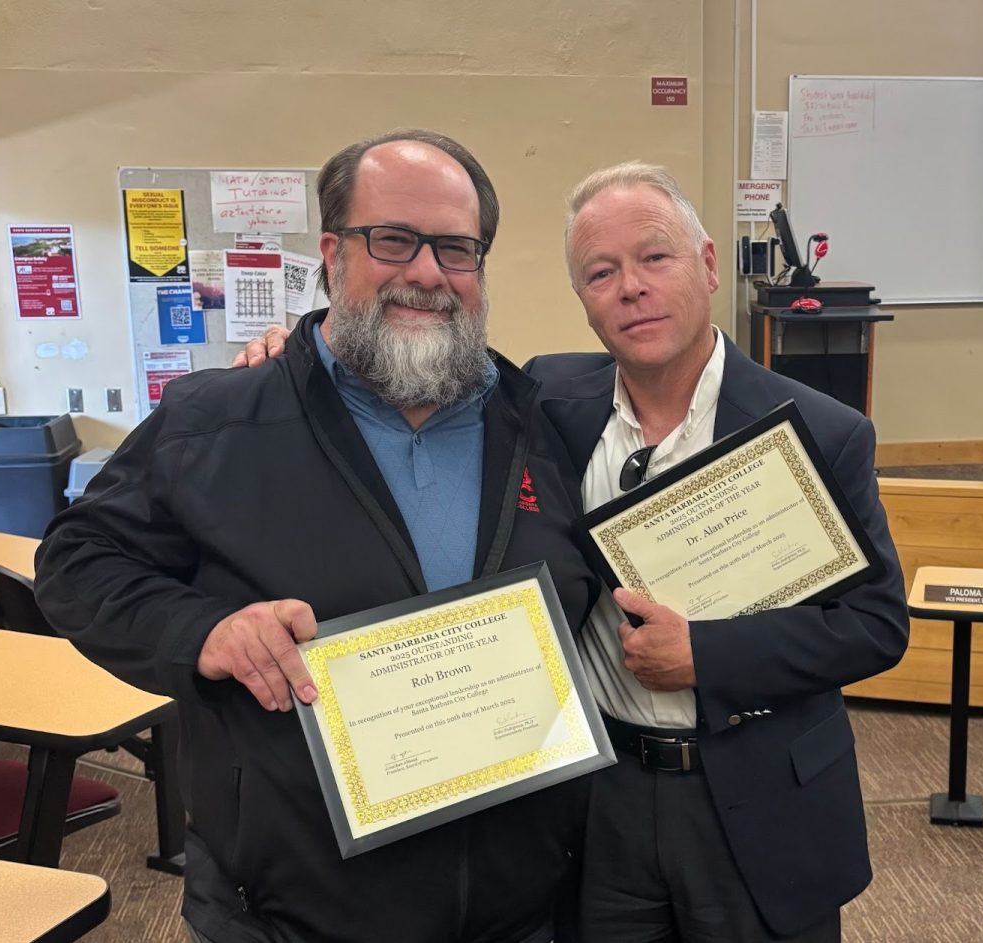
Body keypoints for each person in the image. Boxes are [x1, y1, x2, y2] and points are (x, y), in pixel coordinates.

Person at [237, 162, 909, 942]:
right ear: (582, 299)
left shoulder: (819, 432)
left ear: (706, 264)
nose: (631, 287)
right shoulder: (549, 401)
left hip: (760, 803)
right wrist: (297, 360)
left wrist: (706, 654)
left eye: (654, 257)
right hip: (601, 800)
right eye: (600, 272)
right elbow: (401, 364)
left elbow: (875, 625)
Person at [35, 130, 597, 943]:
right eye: (393, 240)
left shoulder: (544, 424)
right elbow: (76, 562)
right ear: (333, 254)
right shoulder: (218, 420)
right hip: (288, 913)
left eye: (456, 248)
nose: (427, 272)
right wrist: (202, 631)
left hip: (517, 909)